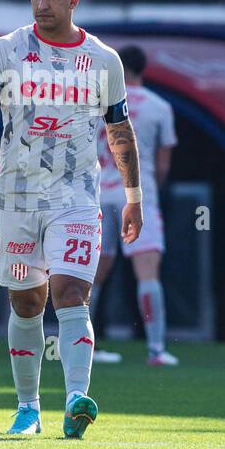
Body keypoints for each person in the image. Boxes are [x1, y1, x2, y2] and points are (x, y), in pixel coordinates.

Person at [0, 0, 137, 438]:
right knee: (27, 303)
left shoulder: (103, 60)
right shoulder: (6, 50)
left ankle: (76, 399)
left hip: (76, 195)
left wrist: (133, 194)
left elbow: (119, 130)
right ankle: (28, 408)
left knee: (71, 293)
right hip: (15, 198)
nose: (42, 5)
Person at [91, 45, 179, 366]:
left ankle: (85, 347)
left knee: (94, 275)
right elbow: (164, 163)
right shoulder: (160, 107)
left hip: (100, 194)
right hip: (138, 195)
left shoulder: (98, 103)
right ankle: (156, 350)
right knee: (147, 273)